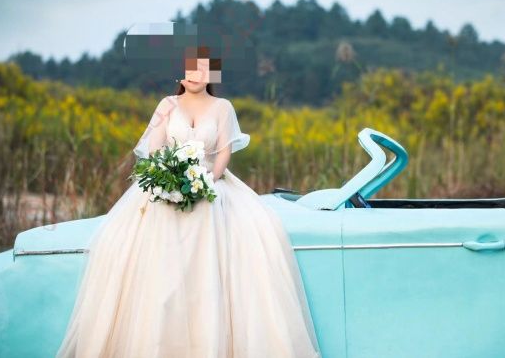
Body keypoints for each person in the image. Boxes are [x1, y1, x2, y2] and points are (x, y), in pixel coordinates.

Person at [55, 73, 321, 357]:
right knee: (132, 243)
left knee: (252, 227)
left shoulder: (222, 107)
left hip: (211, 181)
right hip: (167, 182)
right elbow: (155, 147)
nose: (195, 76)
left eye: (202, 70)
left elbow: (224, 152)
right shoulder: (167, 104)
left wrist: (208, 180)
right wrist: (167, 177)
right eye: (190, 70)